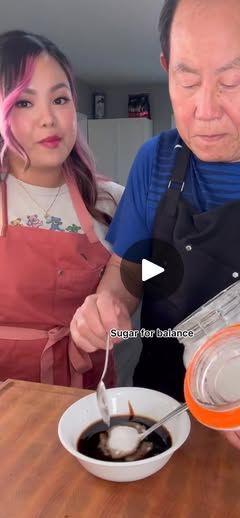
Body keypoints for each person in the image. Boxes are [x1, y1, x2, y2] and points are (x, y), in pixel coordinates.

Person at [71, 0, 240, 455]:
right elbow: (129, 270)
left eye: (230, 81)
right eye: (187, 78)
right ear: (165, 67)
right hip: (155, 420)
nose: (204, 109)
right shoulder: (153, 160)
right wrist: (106, 306)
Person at [0, 30, 123, 389]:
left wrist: (117, 304)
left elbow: (143, 269)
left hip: (87, 390)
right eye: (24, 102)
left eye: (60, 99)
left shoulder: (110, 201)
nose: (48, 119)